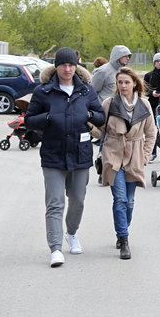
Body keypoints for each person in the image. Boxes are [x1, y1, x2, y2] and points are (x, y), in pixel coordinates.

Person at [25, 48, 105, 267]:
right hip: (52, 154)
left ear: (76, 66)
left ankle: (71, 233)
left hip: (80, 154)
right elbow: (29, 120)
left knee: (77, 199)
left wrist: (88, 114)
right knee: (55, 203)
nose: (67, 69)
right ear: (56, 67)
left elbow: (100, 116)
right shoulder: (43, 91)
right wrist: (48, 116)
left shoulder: (86, 90)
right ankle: (56, 248)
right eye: (63, 65)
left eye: (71, 65)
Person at [94, 67, 157, 260]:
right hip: (113, 154)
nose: (123, 86)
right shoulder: (109, 103)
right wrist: (88, 124)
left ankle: (123, 230)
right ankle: (124, 238)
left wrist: (145, 156)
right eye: (120, 82)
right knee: (120, 199)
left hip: (135, 154)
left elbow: (151, 133)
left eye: (126, 82)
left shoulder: (144, 105)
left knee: (129, 201)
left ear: (134, 84)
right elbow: (100, 131)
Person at [143, 53, 160, 161]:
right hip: (153, 103)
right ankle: (152, 152)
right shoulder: (149, 75)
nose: (159, 63)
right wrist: (151, 93)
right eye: (157, 61)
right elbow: (144, 88)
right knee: (152, 128)